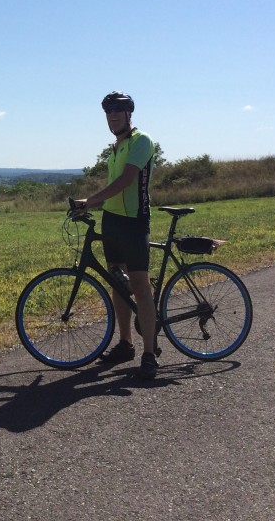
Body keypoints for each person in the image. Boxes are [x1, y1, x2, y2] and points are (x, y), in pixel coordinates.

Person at [73, 91, 159, 380]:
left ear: (129, 114)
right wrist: (91, 205)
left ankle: (149, 353)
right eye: (109, 113)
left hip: (134, 222)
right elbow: (113, 184)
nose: (112, 117)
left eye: (117, 112)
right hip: (112, 222)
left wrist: (91, 200)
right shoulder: (115, 147)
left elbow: (126, 181)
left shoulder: (141, 141)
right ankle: (125, 344)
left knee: (140, 285)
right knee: (118, 284)